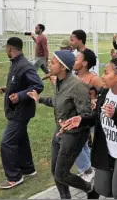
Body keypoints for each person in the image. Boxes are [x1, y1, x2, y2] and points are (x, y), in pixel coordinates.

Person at [59, 58, 117, 199]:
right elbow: (98, 116)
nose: (102, 76)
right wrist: (82, 119)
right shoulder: (105, 92)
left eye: (106, 72)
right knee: (103, 189)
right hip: (106, 149)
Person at [27, 50, 95, 199]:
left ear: (63, 67)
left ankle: (90, 190)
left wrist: (72, 124)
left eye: (53, 62)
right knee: (55, 171)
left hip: (74, 135)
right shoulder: (58, 80)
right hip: (59, 132)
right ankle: (65, 197)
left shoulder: (77, 86)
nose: (48, 64)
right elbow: (58, 102)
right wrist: (39, 99)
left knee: (61, 173)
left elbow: (87, 115)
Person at [0, 37, 44, 189]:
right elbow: (19, 83)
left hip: (21, 112)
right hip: (17, 111)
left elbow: (38, 85)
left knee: (7, 142)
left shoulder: (24, 65)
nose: (6, 51)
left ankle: (14, 177)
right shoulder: (16, 63)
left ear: (9, 49)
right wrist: (8, 90)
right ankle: (28, 169)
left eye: (6, 48)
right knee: (21, 140)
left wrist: (20, 96)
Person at [73, 48, 104, 181]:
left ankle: (87, 170)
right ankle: (89, 167)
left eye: (76, 59)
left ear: (84, 63)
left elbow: (106, 94)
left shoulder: (93, 78)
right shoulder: (73, 76)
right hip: (74, 115)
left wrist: (96, 101)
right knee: (82, 144)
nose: (73, 61)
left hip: (87, 117)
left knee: (74, 144)